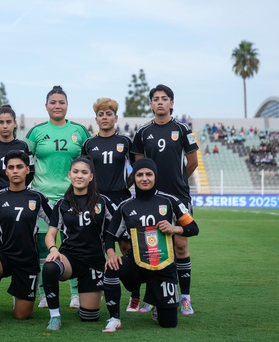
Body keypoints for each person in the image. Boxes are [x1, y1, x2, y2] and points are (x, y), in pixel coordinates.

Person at [102, 158, 199, 332]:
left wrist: (174, 228)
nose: (144, 178)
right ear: (135, 177)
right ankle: (114, 318)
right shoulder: (125, 206)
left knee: (168, 323)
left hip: (164, 265)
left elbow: (193, 228)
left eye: (149, 174)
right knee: (112, 267)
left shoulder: (170, 201)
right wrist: (111, 253)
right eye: (139, 175)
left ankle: (156, 300)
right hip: (136, 264)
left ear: (155, 176)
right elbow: (109, 236)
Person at [132, 84, 199, 315]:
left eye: (164, 98)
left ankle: (186, 297)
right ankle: (152, 296)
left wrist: (179, 181)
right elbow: (139, 165)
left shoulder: (182, 129)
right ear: (151, 104)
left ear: (172, 103)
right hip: (150, 199)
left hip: (179, 196)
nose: (160, 102)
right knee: (152, 246)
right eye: (156, 99)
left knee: (180, 245)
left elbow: (192, 162)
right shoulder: (142, 132)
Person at [25, 85, 90, 309]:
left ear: (67, 105)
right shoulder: (36, 132)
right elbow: (25, 163)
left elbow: (88, 164)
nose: (57, 106)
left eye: (61, 102)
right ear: (46, 106)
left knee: (73, 245)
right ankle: (44, 293)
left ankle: (75, 293)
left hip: (73, 198)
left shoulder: (80, 131)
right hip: (43, 198)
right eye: (53, 102)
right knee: (44, 247)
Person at [0, 151, 53, 328]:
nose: (15, 171)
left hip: (27, 260)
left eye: (19, 167)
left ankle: (19, 294)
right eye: (11, 167)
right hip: (4, 256)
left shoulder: (37, 197)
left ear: (27, 170)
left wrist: (52, 243)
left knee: (22, 316)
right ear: (6, 172)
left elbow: (55, 221)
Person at [81, 97, 140, 312]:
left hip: (119, 199)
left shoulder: (125, 142)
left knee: (126, 246)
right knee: (97, 245)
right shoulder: (89, 143)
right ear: (96, 118)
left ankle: (135, 293)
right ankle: (93, 291)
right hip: (95, 199)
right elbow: (83, 171)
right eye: (101, 114)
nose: (104, 117)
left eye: (109, 114)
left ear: (116, 117)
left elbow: (137, 168)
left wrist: (126, 185)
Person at [42, 157, 115, 330]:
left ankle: (85, 301)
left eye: (84, 172)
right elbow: (50, 234)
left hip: (94, 262)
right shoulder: (62, 204)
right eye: (75, 172)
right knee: (50, 266)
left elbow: (118, 225)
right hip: (70, 258)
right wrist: (53, 249)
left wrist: (112, 250)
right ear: (69, 175)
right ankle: (54, 316)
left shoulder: (102, 202)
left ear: (91, 177)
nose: (79, 176)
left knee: (89, 317)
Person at [0, 105, 34, 200]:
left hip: (16, 197)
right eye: (1, 122)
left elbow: (31, 172)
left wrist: (17, 187)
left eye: (8, 122)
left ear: (15, 123)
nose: (5, 126)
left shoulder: (23, 146)